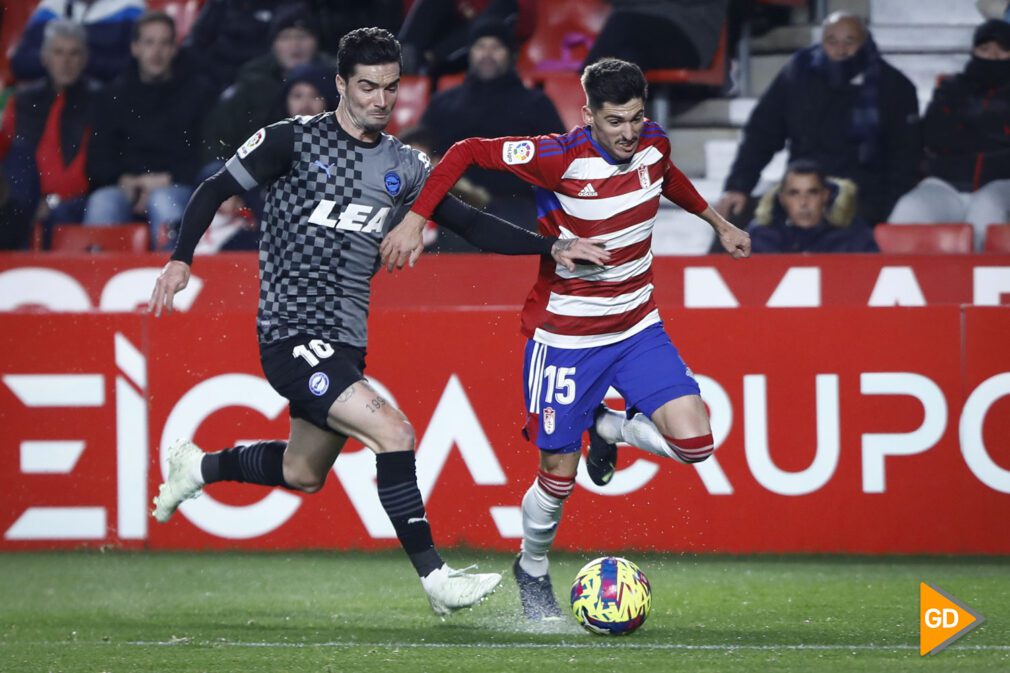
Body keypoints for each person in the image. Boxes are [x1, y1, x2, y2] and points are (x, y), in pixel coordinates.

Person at [147, 27, 608, 616]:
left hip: (345, 338)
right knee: (396, 433)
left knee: (302, 471)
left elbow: (470, 224)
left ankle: (201, 466)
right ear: (340, 84)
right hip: (291, 333)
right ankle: (436, 579)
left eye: (391, 87)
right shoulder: (291, 141)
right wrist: (181, 259)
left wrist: (552, 249)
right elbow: (213, 187)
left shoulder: (406, 165)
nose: (381, 100)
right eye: (367, 87)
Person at [380, 57, 750, 620]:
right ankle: (531, 567)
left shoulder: (652, 142)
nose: (628, 132)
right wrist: (415, 220)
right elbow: (464, 151)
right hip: (566, 335)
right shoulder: (559, 156)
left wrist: (717, 222)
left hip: (636, 326)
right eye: (615, 121)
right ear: (588, 115)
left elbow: (664, 172)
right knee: (557, 476)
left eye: (635, 118)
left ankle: (605, 427)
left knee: (696, 444)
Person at [715, 12, 920, 228]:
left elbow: (904, 159)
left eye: (849, 41)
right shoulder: (798, 74)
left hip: (863, 196)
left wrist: (885, 211)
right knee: (732, 218)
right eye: (832, 42)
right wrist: (739, 187)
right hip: (800, 189)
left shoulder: (894, 87)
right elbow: (761, 134)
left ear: (865, 42)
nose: (840, 50)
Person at [420, 18, 565, 247]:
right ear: (470, 53)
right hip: (453, 199)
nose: (487, 54)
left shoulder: (536, 103)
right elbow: (421, 147)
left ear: (510, 54)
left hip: (513, 202)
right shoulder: (443, 103)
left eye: (496, 47)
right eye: (480, 46)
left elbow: (558, 158)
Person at [83, 11, 214, 249]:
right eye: (149, 42)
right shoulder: (112, 95)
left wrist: (166, 179)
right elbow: (98, 159)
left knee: (165, 202)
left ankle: (172, 282)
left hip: (176, 184)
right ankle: (95, 282)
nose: (157, 52)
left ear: (175, 49)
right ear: (135, 47)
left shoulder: (198, 93)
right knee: (102, 202)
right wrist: (127, 181)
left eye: (164, 43)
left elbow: (202, 154)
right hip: (125, 186)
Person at [887, 19, 1010, 251]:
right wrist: (993, 128)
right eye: (985, 49)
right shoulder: (951, 87)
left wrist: (968, 124)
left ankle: (976, 286)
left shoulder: (955, 96)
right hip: (946, 184)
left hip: (1001, 184)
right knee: (908, 210)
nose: (992, 56)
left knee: (987, 213)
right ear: (973, 52)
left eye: (1002, 50)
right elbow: (935, 135)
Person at [0, 19, 98, 249]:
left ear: (84, 60)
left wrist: (52, 202)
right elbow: (12, 159)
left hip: (75, 201)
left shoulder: (100, 100)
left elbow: (96, 164)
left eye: (73, 54)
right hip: (24, 201)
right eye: (58, 53)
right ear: (45, 58)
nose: (66, 62)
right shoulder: (22, 100)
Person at [201, 3, 334, 167]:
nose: (295, 45)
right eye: (286, 37)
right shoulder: (253, 79)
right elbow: (220, 136)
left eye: (302, 36)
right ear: (273, 44)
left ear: (316, 41)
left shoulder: (337, 78)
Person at [747, 160, 878, 253]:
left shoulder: (854, 234)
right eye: (794, 193)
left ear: (825, 196)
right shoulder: (759, 236)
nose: (803, 202)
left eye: (812, 192)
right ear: (782, 198)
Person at [10, 0, 145, 84]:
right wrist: (61, 62)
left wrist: (81, 62)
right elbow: (20, 63)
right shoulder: (50, 6)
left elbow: (137, 66)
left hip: (107, 100)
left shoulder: (130, 7)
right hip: (51, 97)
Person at [583, 0, 728, 71]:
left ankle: (574, 110)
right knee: (627, 62)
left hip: (687, 34)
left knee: (623, 23)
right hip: (634, 38)